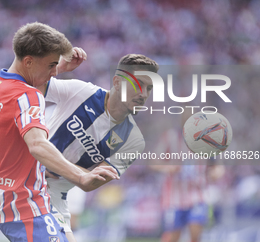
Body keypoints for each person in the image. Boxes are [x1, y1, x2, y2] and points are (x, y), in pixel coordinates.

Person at [0, 22, 119, 242]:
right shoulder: (27, 96)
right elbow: (37, 144)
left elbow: (20, 93)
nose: (54, 73)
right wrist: (81, 176)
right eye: (51, 65)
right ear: (29, 61)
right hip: (24, 206)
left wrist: (57, 66)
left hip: (15, 198)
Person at [37, 54, 159, 241]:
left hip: (54, 197)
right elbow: (28, 85)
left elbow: (90, 183)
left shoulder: (134, 141)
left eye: (149, 88)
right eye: (138, 84)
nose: (143, 94)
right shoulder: (81, 91)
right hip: (23, 178)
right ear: (117, 82)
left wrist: (51, 164)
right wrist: (59, 68)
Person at [151, 113, 225, 242]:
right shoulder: (170, 137)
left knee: (195, 233)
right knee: (172, 236)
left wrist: (216, 173)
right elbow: (154, 162)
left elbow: (218, 167)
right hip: (174, 198)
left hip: (197, 196)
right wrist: (169, 167)